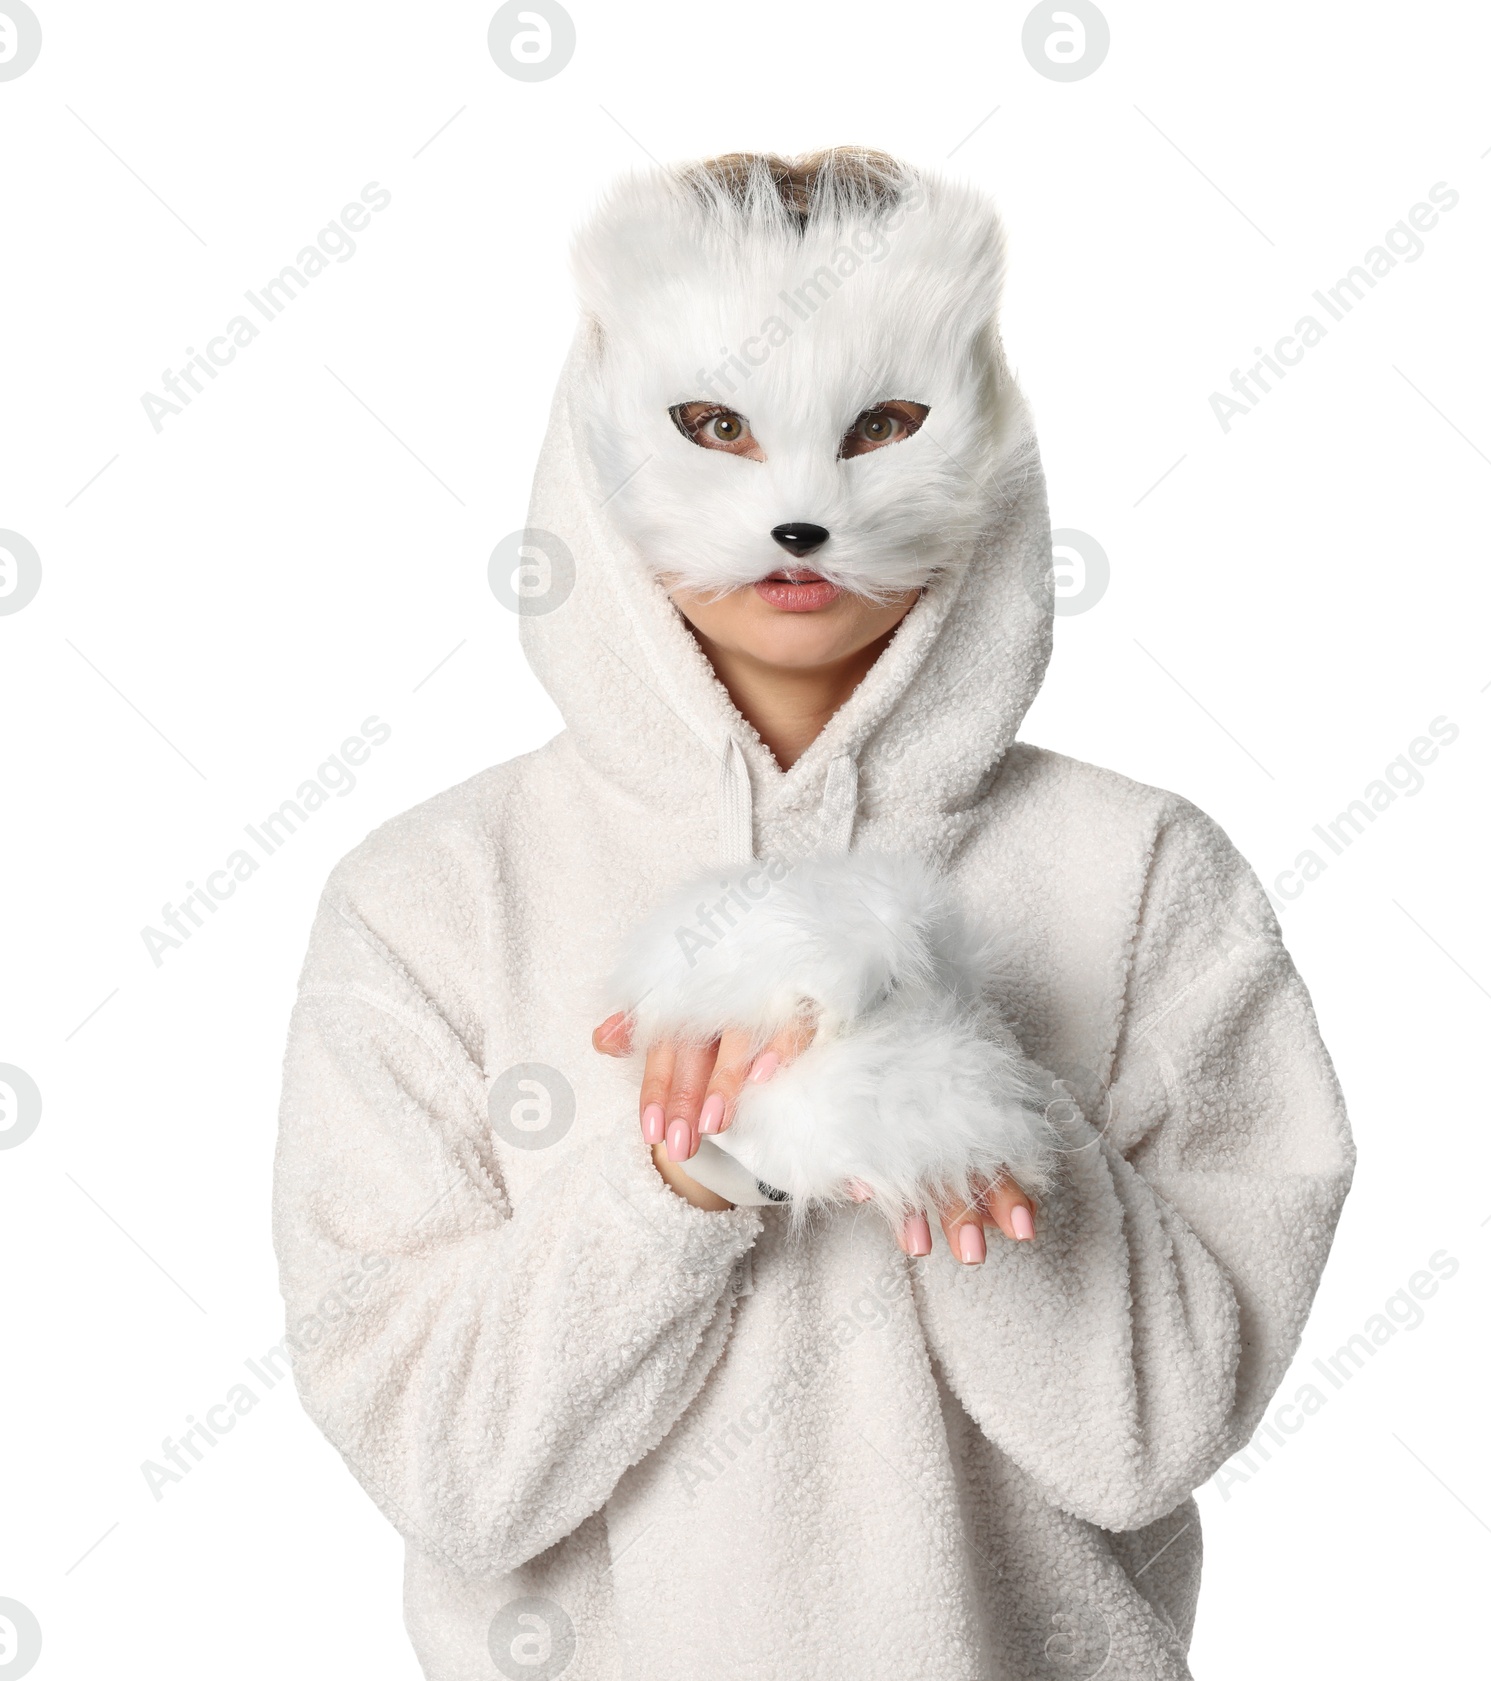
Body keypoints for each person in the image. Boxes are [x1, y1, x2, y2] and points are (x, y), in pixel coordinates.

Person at [274, 148, 1354, 1680]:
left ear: (982, 438)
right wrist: (684, 1178)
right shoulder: (429, 900)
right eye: (714, 427)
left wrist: (948, 1091)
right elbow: (454, 1475)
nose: (799, 506)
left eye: (883, 426)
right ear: (602, 441)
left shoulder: (1147, 879)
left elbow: (1142, 1436)